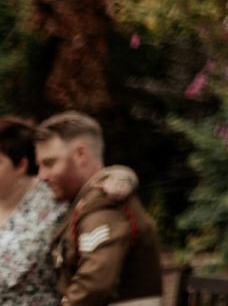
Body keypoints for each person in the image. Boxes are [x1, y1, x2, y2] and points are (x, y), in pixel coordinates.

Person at [34, 112, 160, 306]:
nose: (42, 175)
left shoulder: (106, 200)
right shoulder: (86, 200)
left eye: (49, 163)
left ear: (80, 154)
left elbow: (94, 286)